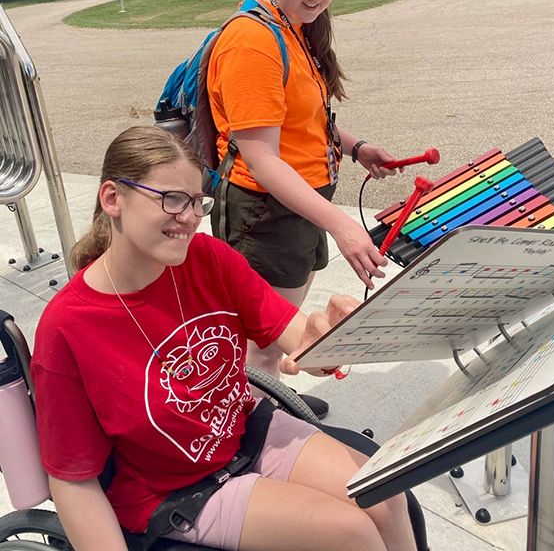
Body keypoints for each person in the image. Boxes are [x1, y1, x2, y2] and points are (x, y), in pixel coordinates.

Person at [30, 126, 417, 551]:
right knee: (351, 533)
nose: (190, 217)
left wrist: (331, 337)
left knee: (385, 493)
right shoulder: (69, 326)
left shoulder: (208, 259)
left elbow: (297, 340)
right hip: (175, 489)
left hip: (246, 430)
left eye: (197, 202)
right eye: (172, 199)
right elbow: (72, 477)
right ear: (112, 198)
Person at [207, 0, 399, 391]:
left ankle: (274, 408)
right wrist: (340, 225)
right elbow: (263, 159)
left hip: (301, 206)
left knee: (274, 339)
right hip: (265, 214)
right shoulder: (252, 42)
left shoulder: (290, 25)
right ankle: (260, 432)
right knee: (262, 347)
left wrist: (356, 148)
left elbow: (300, 121)